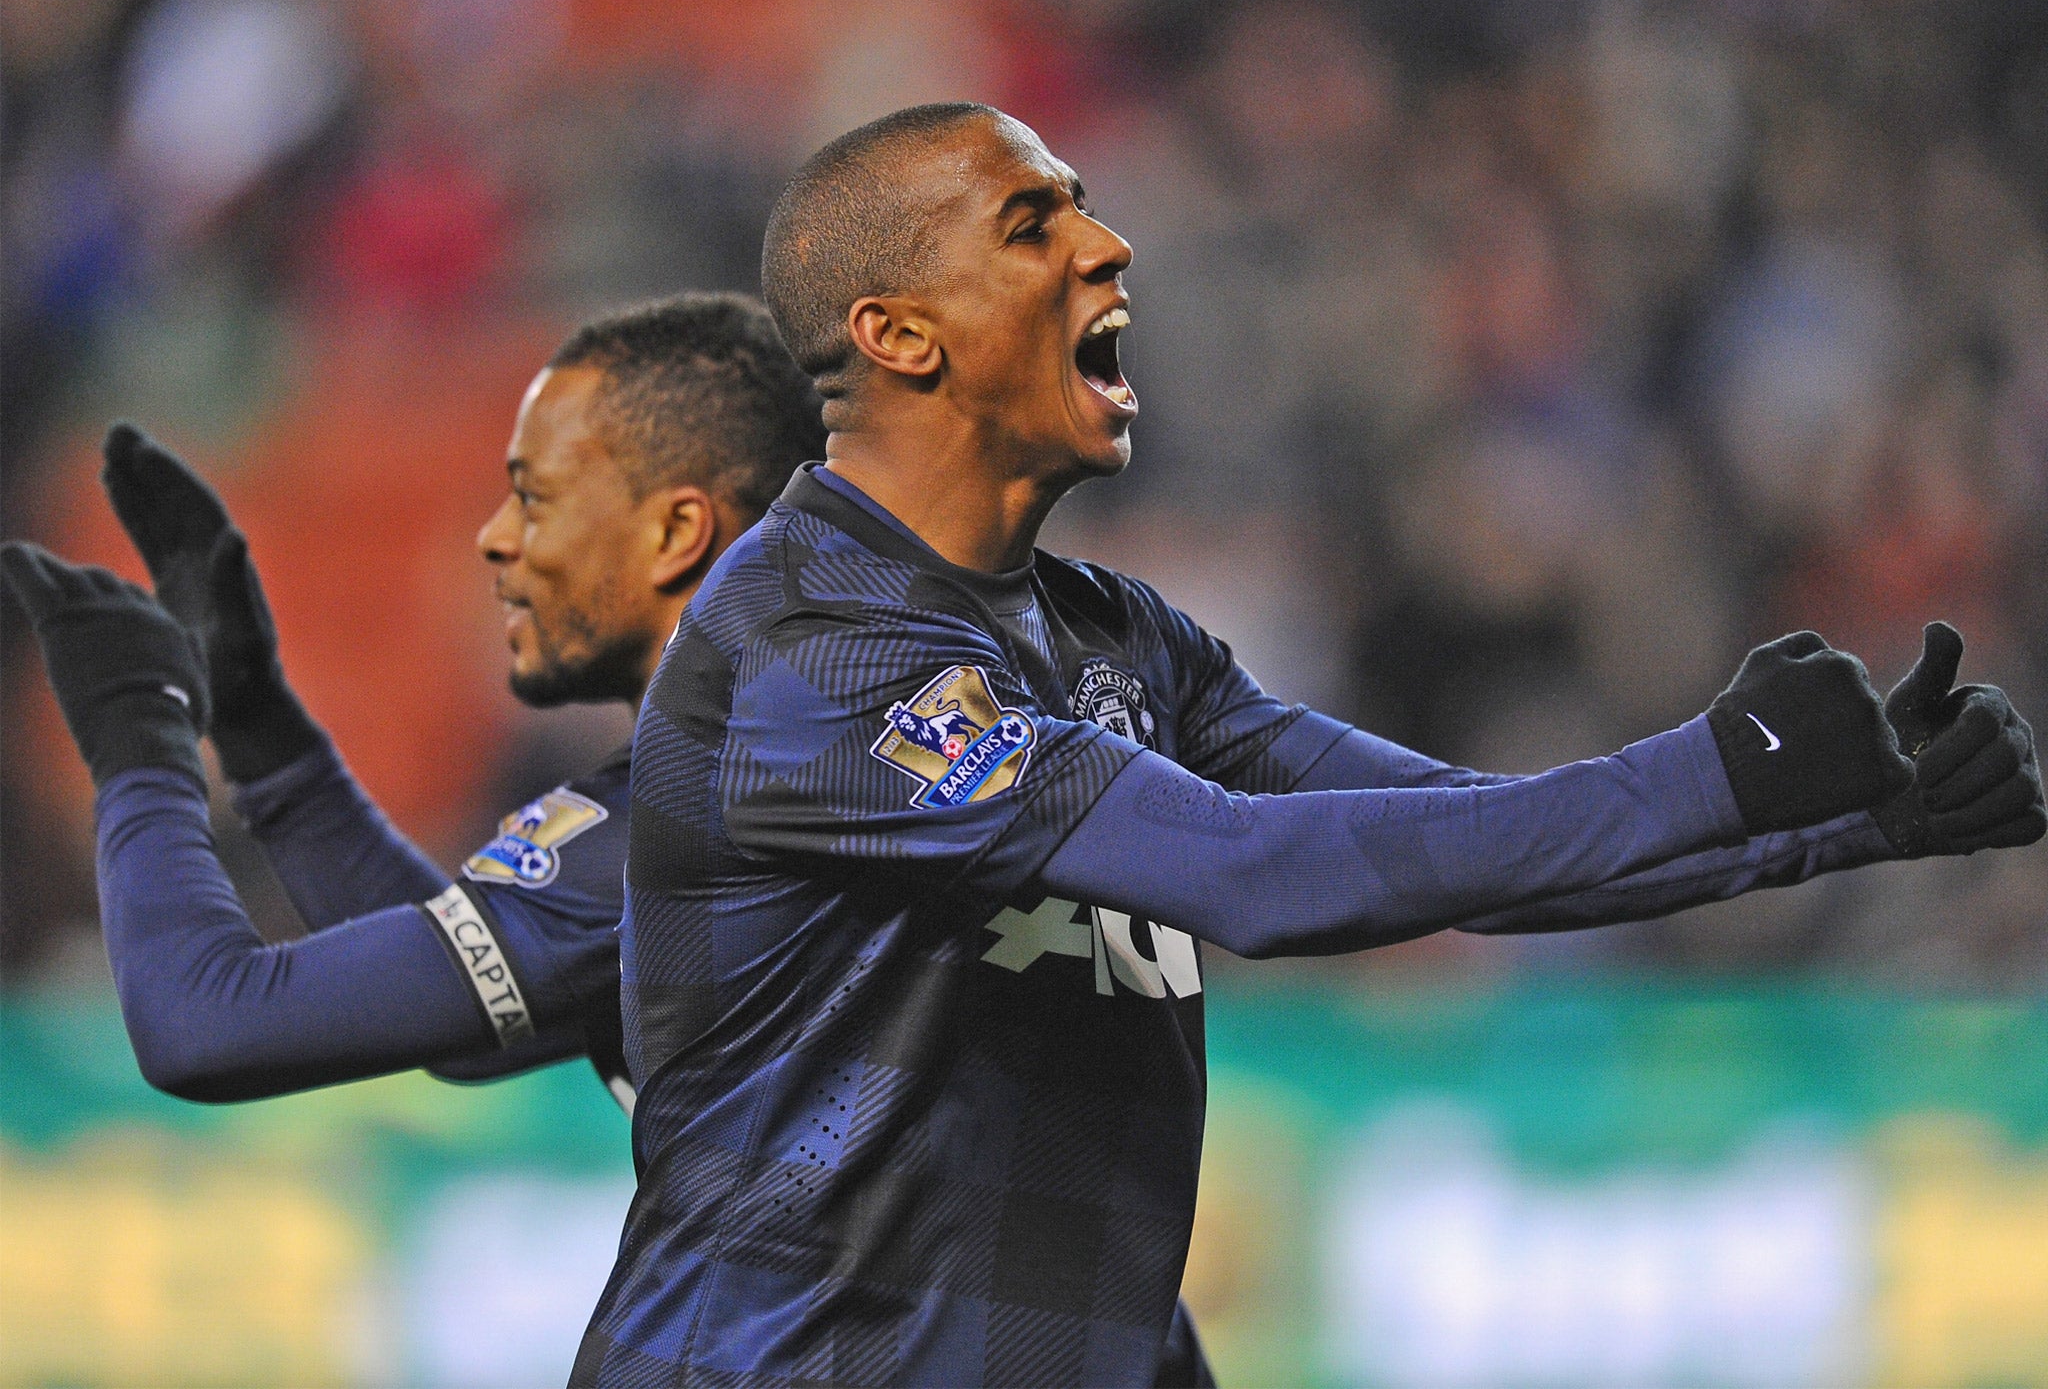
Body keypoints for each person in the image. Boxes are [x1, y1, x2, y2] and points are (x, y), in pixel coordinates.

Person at [578, 104, 2046, 1389]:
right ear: (898, 334)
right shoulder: (810, 653)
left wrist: (1844, 814)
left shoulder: (1116, 641)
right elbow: (1257, 877)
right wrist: (1720, 769)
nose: (1107, 246)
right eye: (1036, 224)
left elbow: (1467, 844)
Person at [3, 292, 824, 1109]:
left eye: (538, 499)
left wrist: (135, 731)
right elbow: (459, 1018)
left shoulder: (703, 819)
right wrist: (252, 715)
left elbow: (201, 1030)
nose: (497, 536)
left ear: (676, 533)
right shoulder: (804, 748)